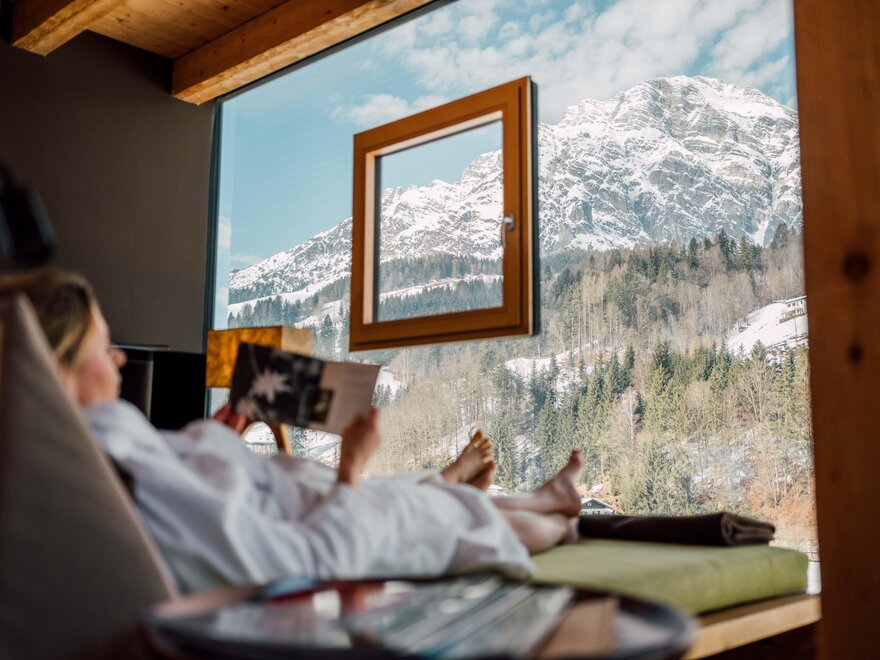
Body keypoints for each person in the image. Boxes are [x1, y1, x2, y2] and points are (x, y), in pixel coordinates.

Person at [1, 269, 583, 589]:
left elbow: (190, 479)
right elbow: (303, 560)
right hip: (308, 519)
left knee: (399, 494)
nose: (121, 360)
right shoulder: (109, 471)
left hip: (288, 496)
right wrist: (350, 467)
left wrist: (229, 424)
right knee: (463, 517)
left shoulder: (92, 451)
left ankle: (502, 492)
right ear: (55, 369)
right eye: (105, 347)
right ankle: (546, 514)